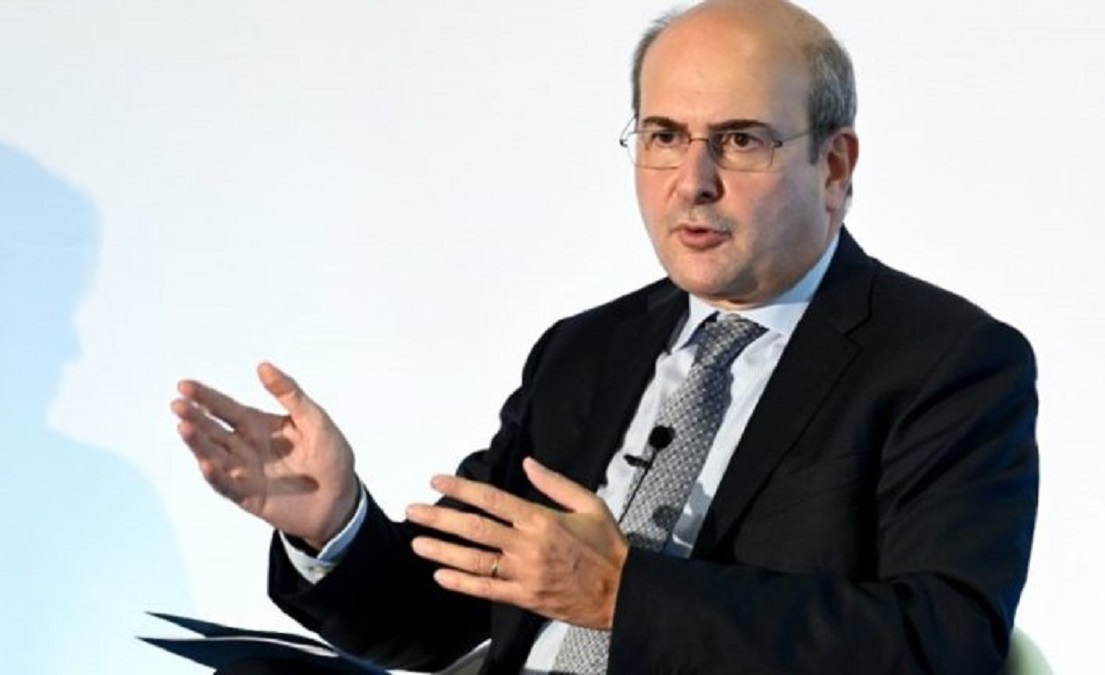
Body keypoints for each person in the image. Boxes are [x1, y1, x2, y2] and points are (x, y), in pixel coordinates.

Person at [172, 1, 1038, 673]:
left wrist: (624, 594)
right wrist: (333, 523)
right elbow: (436, 619)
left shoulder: (947, 363)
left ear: (835, 166)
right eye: (664, 136)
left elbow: (943, 643)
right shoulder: (586, 352)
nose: (691, 182)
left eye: (739, 141)